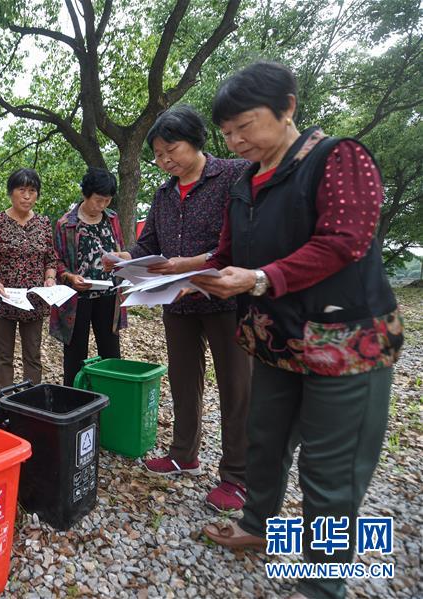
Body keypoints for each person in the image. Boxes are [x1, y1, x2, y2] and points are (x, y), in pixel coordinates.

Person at [193, 62, 403, 599]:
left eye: (246, 125)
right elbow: (228, 252)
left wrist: (263, 278)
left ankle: (322, 580)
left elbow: (344, 242)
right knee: (264, 441)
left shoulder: (337, 158)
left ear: (288, 107)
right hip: (275, 340)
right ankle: (258, 523)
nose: (236, 141)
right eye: (227, 133)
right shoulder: (244, 181)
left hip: (343, 345)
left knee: (329, 469)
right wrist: (192, 275)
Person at [103, 105, 252, 512]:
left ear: (197, 141)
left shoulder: (233, 175)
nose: (164, 160)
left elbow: (241, 240)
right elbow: (150, 244)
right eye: (158, 154)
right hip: (176, 300)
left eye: (172, 149)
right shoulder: (165, 192)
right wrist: (125, 257)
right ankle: (184, 454)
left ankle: (238, 477)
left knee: (236, 388)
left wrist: (192, 264)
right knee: (185, 381)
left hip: (224, 297)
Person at [0, 169, 56, 388]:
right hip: (3, 301)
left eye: (32, 191)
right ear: (11, 192)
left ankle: (31, 403)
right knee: (3, 358)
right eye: (22, 190)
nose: (27, 196)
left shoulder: (43, 224)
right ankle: (6, 404)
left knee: (33, 356)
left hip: (34, 302)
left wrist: (50, 278)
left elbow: (51, 259)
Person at [52, 167, 127, 386]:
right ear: (86, 194)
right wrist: (70, 277)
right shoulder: (66, 224)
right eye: (98, 200)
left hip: (109, 294)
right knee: (75, 354)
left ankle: (113, 396)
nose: (102, 206)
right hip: (78, 299)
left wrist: (122, 259)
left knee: (111, 351)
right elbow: (56, 260)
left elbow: (120, 249)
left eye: (107, 201)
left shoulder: (112, 219)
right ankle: (74, 400)